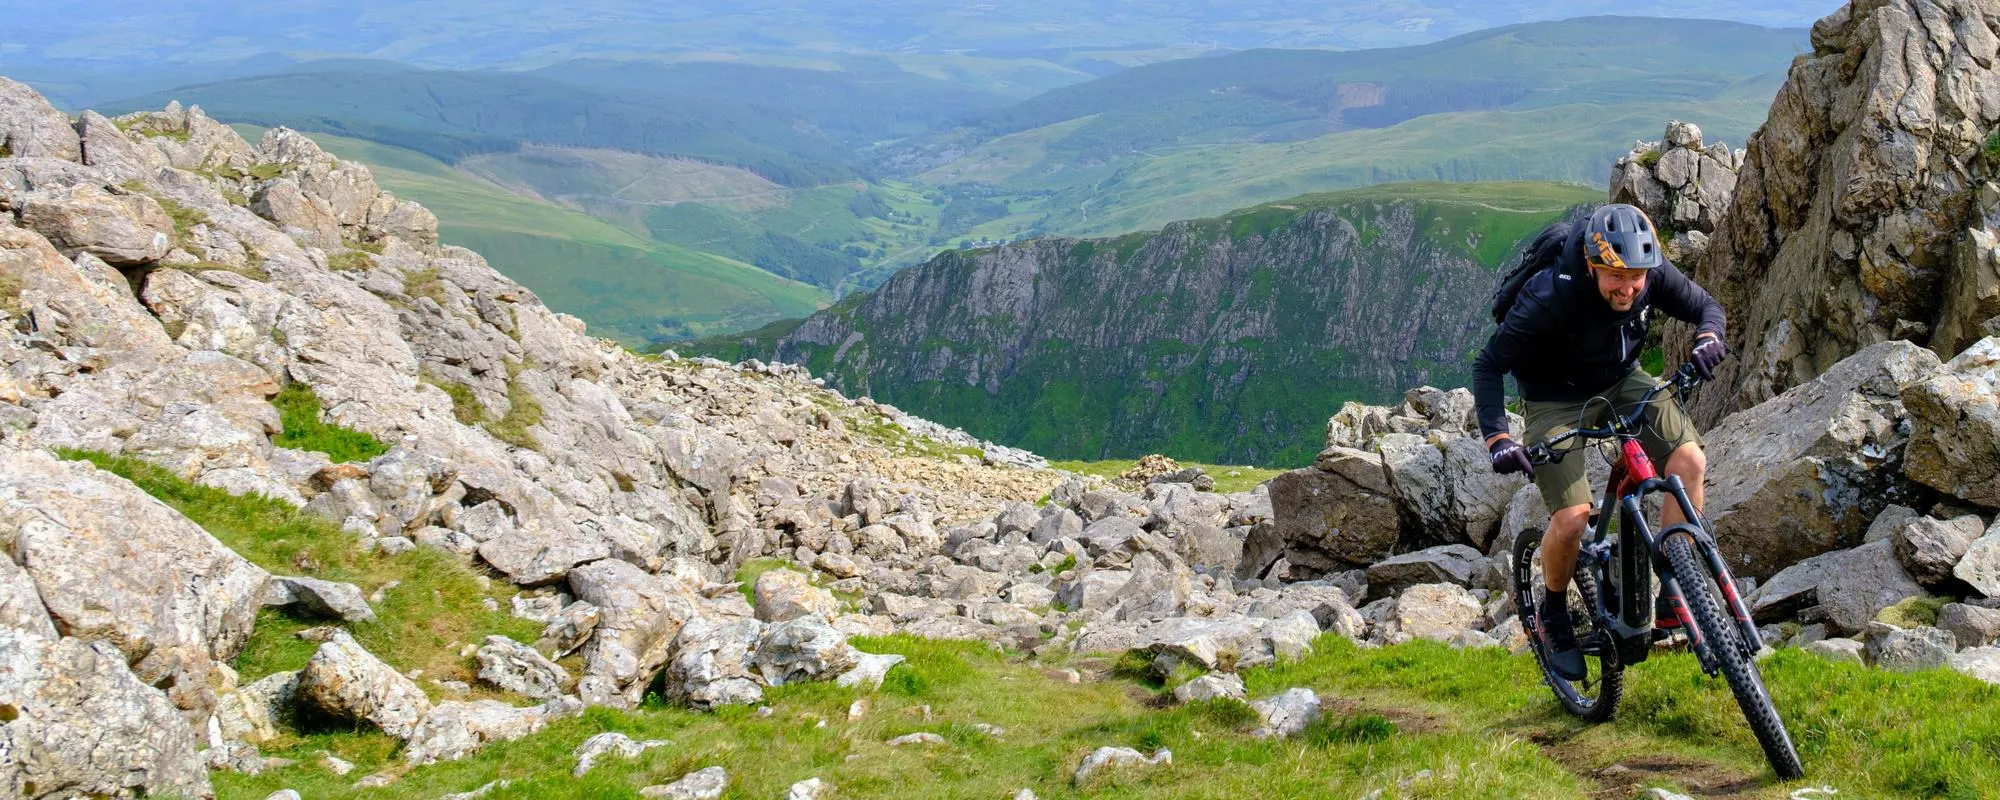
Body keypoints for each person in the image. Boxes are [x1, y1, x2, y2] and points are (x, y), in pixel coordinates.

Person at [1471, 203, 1727, 680]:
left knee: (1689, 462)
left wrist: (1709, 335)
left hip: (1622, 381)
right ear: (1592, 265)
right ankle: (1552, 613)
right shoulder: (1550, 296)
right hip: (1555, 400)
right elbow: (1489, 365)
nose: (1629, 288)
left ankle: (1676, 591)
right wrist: (1499, 437)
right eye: (1616, 277)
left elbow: (1705, 306)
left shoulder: (1651, 275)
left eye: (1637, 277)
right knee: (1570, 521)